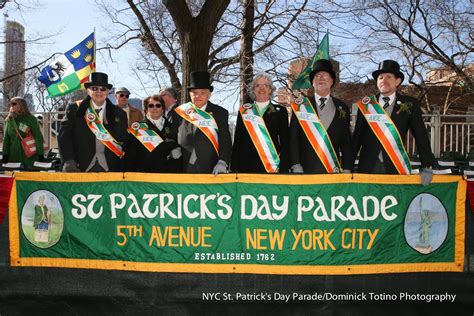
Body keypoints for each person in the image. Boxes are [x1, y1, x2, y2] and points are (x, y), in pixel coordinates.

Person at [352, 60, 436, 185]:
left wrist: (427, 166)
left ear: (397, 81)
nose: (383, 80)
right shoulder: (366, 105)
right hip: (368, 165)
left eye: (388, 77)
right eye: (380, 77)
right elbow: (357, 137)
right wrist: (347, 166)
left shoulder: (409, 104)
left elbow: (420, 135)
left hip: (395, 164)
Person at [289, 59, 352, 174]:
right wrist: (296, 165)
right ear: (312, 82)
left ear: (332, 81)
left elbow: (346, 140)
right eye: (317, 75)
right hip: (305, 168)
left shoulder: (342, 107)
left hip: (332, 168)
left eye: (325, 75)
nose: (320, 78)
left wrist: (347, 167)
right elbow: (293, 138)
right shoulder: (301, 106)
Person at [59, 72, 128, 172]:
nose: (99, 92)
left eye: (103, 89)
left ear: (108, 91)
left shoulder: (119, 114)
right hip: (80, 166)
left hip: (111, 167)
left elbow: (124, 141)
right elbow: (64, 136)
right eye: (94, 88)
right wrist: (68, 160)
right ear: (88, 90)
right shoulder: (74, 109)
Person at [172, 71, 232, 174]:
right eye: (194, 93)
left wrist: (223, 161)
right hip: (183, 165)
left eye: (203, 93)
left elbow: (225, 140)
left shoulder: (220, 113)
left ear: (209, 95)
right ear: (190, 95)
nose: (198, 96)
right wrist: (174, 148)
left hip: (211, 167)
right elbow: (172, 136)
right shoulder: (180, 112)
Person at [231, 73, 290, 173]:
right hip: (246, 166)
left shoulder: (280, 111)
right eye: (258, 85)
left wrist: (284, 167)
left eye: (265, 85)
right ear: (253, 89)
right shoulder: (244, 111)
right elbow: (237, 140)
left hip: (272, 166)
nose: (261, 88)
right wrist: (234, 167)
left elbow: (285, 142)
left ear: (270, 89)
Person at [123, 94, 181, 173]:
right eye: (151, 106)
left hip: (167, 174)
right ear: (146, 109)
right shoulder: (138, 128)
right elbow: (130, 156)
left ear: (162, 109)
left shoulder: (172, 127)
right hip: (145, 174)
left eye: (158, 105)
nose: (154, 108)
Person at [2, 97, 45, 169]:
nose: (11, 106)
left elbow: (38, 137)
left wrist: (40, 154)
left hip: (29, 157)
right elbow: (6, 139)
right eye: (11, 104)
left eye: (14, 104)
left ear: (21, 105)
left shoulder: (31, 119)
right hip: (13, 157)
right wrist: (5, 155)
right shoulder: (9, 120)